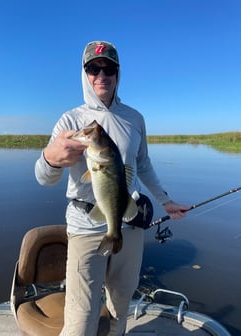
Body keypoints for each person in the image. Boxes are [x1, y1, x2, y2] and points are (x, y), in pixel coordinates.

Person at [35, 40, 190, 336]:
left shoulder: (135, 118)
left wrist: (166, 201)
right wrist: (51, 159)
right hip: (84, 226)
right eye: (93, 68)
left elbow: (143, 164)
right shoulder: (70, 121)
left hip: (127, 225)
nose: (101, 75)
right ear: (84, 74)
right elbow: (44, 178)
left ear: (118, 74)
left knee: (121, 306)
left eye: (109, 68)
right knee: (80, 321)